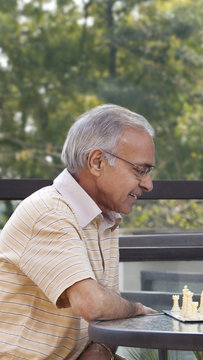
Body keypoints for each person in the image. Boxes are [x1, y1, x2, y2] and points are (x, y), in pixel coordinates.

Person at [0, 104, 158, 359]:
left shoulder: (105, 218)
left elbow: (107, 314)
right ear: (96, 162)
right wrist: (136, 309)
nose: (148, 185)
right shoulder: (50, 213)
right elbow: (94, 305)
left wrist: (101, 349)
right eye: (140, 170)